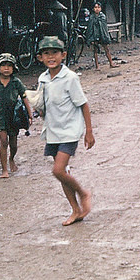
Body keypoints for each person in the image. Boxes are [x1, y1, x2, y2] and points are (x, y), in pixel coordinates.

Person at [34, 36, 94, 226]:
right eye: (46, 53)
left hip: (69, 130)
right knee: (63, 174)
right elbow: (42, 104)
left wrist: (89, 131)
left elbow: (83, 104)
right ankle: (75, 210)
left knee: (58, 170)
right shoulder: (43, 79)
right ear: (40, 57)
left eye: (55, 53)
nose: (51, 57)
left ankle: (83, 193)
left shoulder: (70, 78)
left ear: (64, 55)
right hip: (52, 131)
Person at [0, 53, 31, 179]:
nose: (6, 68)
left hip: (14, 115)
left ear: (13, 68)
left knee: (13, 144)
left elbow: (24, 98)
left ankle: (11, 158)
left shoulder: (16, 82)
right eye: (3, 65)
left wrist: (29, 115)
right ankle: (4, 169)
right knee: (3, 141)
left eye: (9, 66)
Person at [85, 2, 117, 69]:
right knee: (95, 50)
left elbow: (104, 28)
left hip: (102, 35)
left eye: (98, 7)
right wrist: (90, 38)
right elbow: (90, 28)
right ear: (93, 9)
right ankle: (97, 66)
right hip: (94, 35)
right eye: (95, 7)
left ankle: (111, 63)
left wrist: (106, 36)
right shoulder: (91, 17)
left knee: (106, 49)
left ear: (101, 8)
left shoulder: (103, 16)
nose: (97, 9)